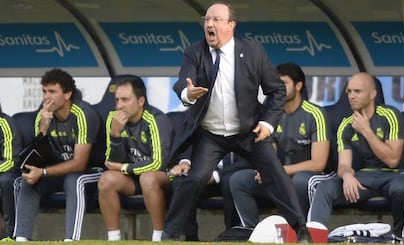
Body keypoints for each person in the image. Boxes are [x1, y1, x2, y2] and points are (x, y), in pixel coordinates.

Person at [162, 2, 311, 242]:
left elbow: (276, 91)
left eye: (216, 20)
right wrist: (187, 94)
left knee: (275, 173)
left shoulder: (253, 51)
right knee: (194, 179)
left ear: (231, 25)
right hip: (210, 134)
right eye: (206, 19)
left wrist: (268, 124)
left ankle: (301, 230)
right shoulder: (194, 52)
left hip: (248, 131)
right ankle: (168, 234)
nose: (209, 24)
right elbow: (182, 82)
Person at [308, 72, 404, 243]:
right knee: (324, 187)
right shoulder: (346, 124)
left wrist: (366, 130)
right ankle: (316, 239)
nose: (351, 96)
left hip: (394, 175)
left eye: (357, 91)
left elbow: (393, 159)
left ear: (372, 94)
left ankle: (398, 237)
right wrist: (347, 175)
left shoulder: (390, 115)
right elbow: (343, 164)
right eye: (349, 92)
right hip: (364, 177)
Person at [229, 62, 335, 228]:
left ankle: (303, 232)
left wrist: (279, 170)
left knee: (299, 182)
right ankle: (251, 231)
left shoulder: (315, 114)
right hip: (282, 175)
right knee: (238, 180)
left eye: (284, 83)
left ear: (298, 85)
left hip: (312, 177)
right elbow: (269, 150)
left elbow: (318, 163)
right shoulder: (269, 113)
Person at [13, 68, 105, 242]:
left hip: (92, 171)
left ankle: (71, 240)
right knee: (24, 181)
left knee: (74, 180)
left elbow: (79, 163)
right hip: (58, 170)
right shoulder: (44, 115)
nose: (47, 97)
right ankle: (21, 238)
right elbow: (36, 158)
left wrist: (44, 172)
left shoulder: (83, 114)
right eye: (44, 91)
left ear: (68, 94)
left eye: (52, 92)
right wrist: (43, 128)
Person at [97, 75, 174, 242]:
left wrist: (124, 168)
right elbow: (112, 163)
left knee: (148, 178)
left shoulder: (155, 119)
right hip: (133, 178)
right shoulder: (113, 118)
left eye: (125, 99)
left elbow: (159, 163)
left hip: (164, 177)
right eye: (117, 100)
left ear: (140, 101)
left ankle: (159, 236)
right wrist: (116, 134)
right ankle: (114, 237)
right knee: (106, 180)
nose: (119, 105)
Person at [0, 104, 21, 241]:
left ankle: (10, 232)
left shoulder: (4, 122)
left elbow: (11, 160)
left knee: (6, 181)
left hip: (6, 170)